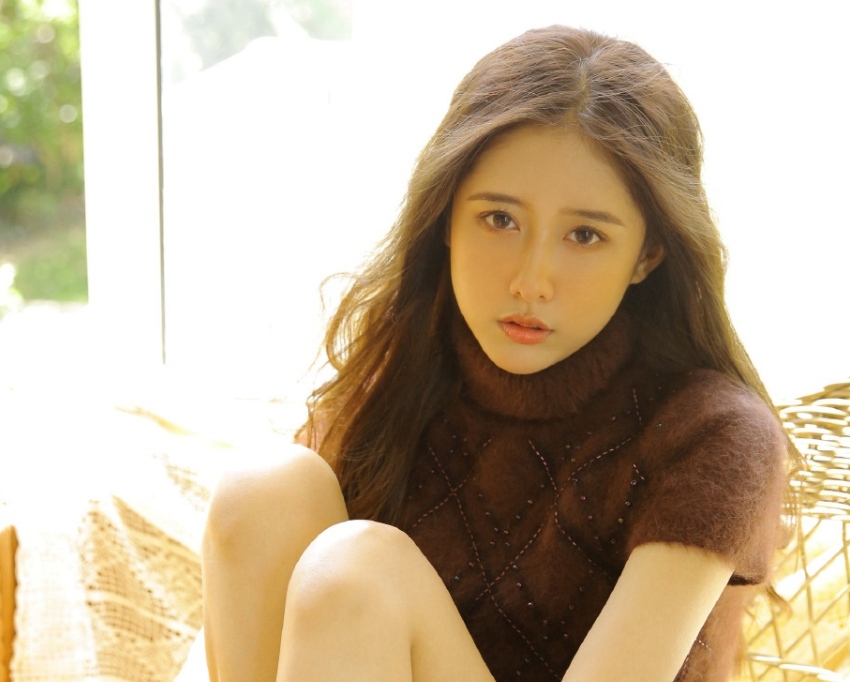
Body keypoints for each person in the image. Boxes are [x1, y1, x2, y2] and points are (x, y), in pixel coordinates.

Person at [200, 26, 791, 682]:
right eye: (500, 219)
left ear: (647, 255)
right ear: (446, 217)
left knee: (358, 571)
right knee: (263, 490)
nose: (530, 281)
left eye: (585, 235)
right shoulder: (413, 368)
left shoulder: (714, 434)